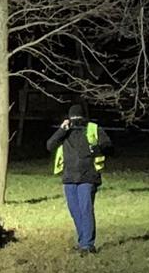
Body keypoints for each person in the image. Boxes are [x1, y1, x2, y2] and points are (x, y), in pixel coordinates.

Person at [47, 104, 110, 254]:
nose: (76, 121)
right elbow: (50, 145)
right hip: (69, 177)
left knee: (85, 209)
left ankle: (87, 244)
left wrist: (96, 148)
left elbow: (109, 147)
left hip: (88, 176)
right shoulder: (65, 132)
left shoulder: (93, 128)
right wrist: (62, 129)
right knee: (75, 210)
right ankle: (83, 241)